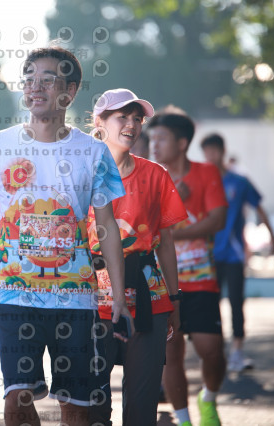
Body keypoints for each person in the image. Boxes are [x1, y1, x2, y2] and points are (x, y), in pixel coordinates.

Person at [0, 46, 131, 426]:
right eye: (29, 79)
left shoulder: (93, 152)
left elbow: (107, 227)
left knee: (76, 407)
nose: (35, 87)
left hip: (75, 298)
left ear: (70, 90)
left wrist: (118, 297)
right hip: (14, 293)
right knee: (16, 398)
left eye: (47, 80)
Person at [87, 89, 187, 425]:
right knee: (92, 406)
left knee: (142, 409)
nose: (131, 124)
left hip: (148, 298)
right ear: (99, 122)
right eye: (122, 117)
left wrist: (175, 299)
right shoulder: (78, 173)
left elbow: (166, 243)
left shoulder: (155, 175)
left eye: (137, 118)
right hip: (91, 299)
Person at [148, 109, 228, 426]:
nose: (154, 145)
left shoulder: (206, 173)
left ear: (182, 143)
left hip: (202, 281)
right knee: (171, 355)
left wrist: (172, 229)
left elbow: (217, 220)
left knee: (213, 352)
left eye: (161, 138)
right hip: (163, 284)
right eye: (152, 139)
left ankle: (208, 397)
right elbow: (141, 229)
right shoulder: (149, 177)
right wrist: (172, 205)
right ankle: (183, 420)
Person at [200, 133, 274, 372]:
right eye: (206, 152)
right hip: (208, 255)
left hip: (234, 253)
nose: (210, 156)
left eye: (214, 151)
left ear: (222, 152)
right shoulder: (203, 182)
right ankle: (217, 352)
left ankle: (237, 351)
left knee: (236, 301)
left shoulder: (239, 181)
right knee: (211, 304)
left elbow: (260, 209)